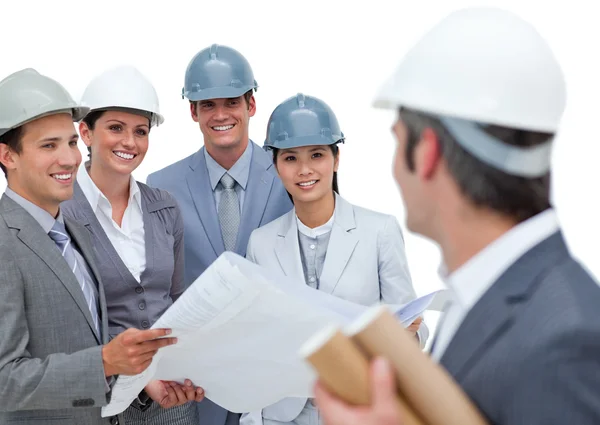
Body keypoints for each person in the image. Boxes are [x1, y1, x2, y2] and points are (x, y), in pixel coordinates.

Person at [313, 6, 600, 425]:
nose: (393, 167)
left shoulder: (563, 343)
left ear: (427, 153)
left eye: (397, 142)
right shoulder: (486, 298)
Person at [0, 68, 180, 425]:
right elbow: (5, 379)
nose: (69, 158)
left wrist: (139, 379)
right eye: (49, 145)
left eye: (68, 143)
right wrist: (105, 362)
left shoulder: (69, 230)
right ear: (8, 156)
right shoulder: (6, 241)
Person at [242, 93, 428, 425]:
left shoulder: (379, 231)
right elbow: (257, 344)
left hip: (360, 408)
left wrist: (410, 332)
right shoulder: (262, 243)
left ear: (336, 158)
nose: (304, 170)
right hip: (281, 415)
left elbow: (411, 329)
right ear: (275, 165)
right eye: (290, 158)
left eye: (316, 155)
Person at [146, 44, 293, 425]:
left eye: (231, 102)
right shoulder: (161, 187)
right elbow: (154, 287)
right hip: (197, 385)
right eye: (208, 105)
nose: (221, 114)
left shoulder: (292, 177)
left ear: (251, 106)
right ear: (192, 111)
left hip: (275, 383)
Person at [60, 65, 203, 425]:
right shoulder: (60, 211)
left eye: (141, 131)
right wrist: (142, 378)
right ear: (85, 133)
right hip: (106, 403)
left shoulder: (165, 207)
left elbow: (175, 301)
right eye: (116, 128)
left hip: (174, 398)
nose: (130, 142)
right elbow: (72, 323)